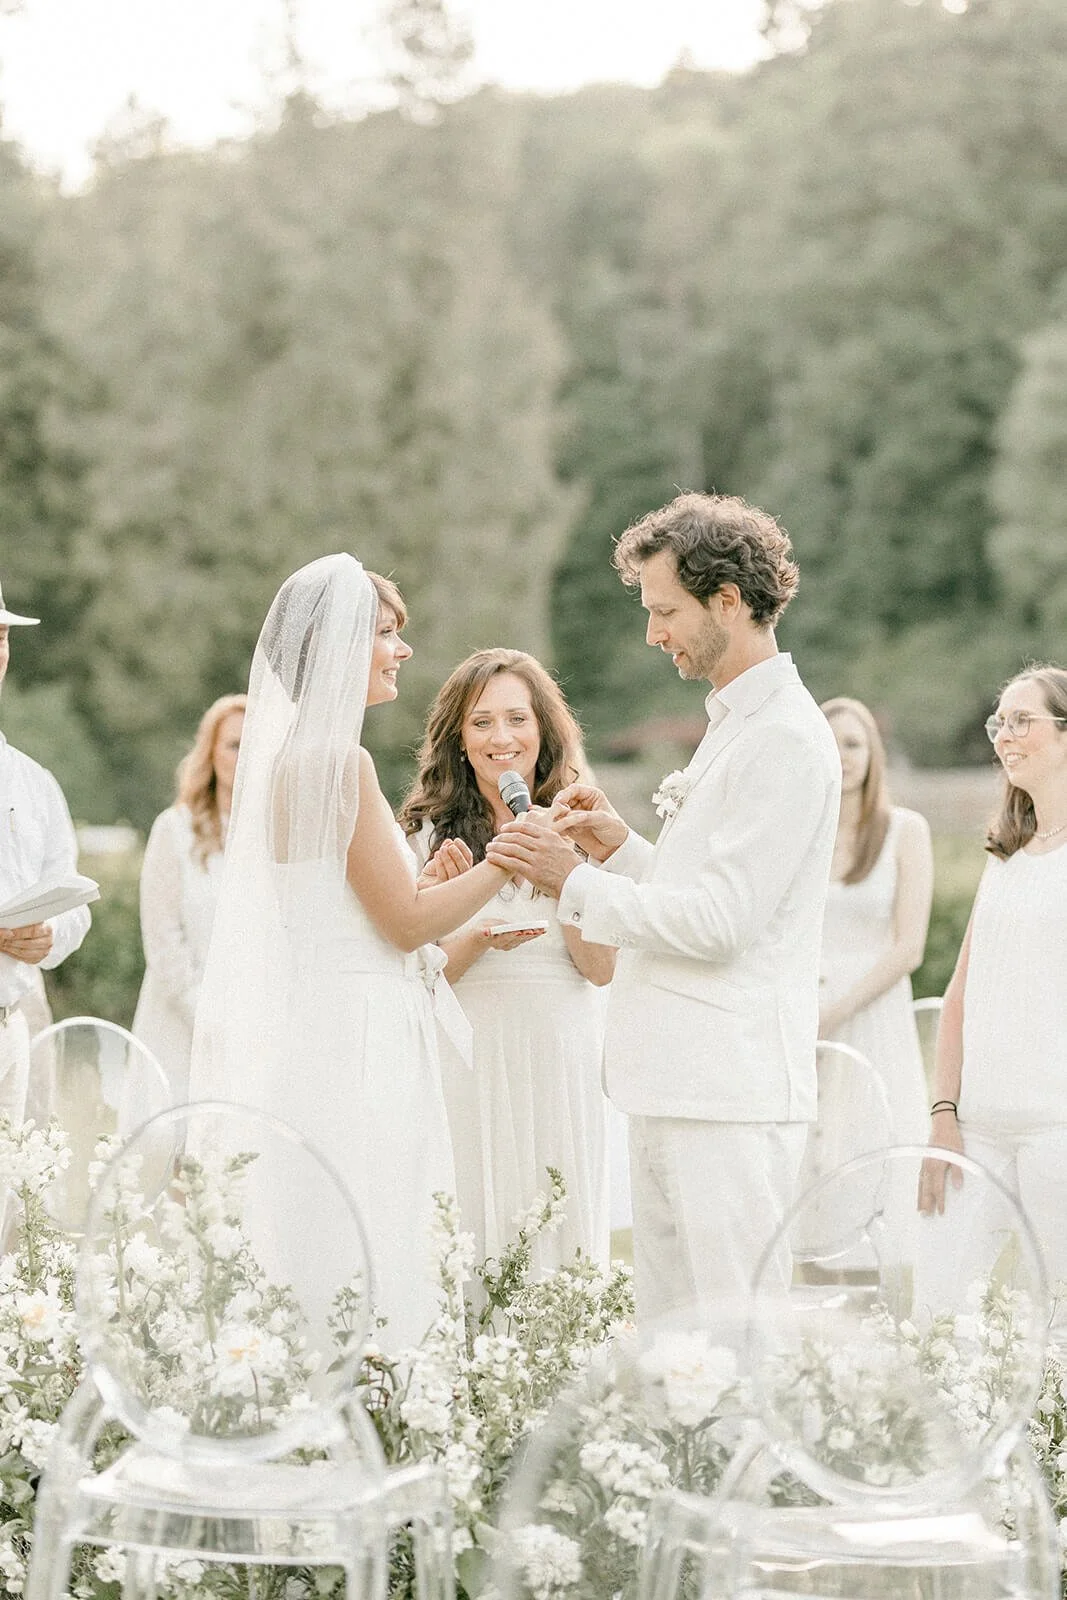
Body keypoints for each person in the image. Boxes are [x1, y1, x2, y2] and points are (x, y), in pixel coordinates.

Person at [487, 492, 841, 1316]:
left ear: (727, 601)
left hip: (728, 1093)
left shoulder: (784, 738)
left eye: (664, 611)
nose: (653, 635)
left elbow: (721, 926)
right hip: (673, 1083)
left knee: (734, 1338)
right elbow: (700, 894)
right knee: (673, 1345)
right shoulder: (733, 725)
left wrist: (568, 881)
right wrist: (621, 850)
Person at [189, 555, 512, 1351]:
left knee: (326, 1221)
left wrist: (436, 883)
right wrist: (510, 854)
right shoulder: (342, 762)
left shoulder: (289, 763)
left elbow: (360, 912)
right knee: (373, 1214)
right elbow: (403, 927)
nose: (401, 650)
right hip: (362, 1032)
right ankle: (378, 1406)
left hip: (322, 1022)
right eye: (386, 633)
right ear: (337, 645)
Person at [400, 648, 615, 1276]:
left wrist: (562, 878)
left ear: (544, 731)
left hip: (559, 1050)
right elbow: (411, 972)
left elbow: (601, 969)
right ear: (459, 740)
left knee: (558, 1216)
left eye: (518, 719)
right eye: (482, 722)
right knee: (471, 1219)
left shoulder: (582, 823)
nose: (502, 738)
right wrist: (471, 938)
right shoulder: (424, 833)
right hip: (468, 1051)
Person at [919, 665, 1067, 1298]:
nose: (1005, 735)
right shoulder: (1005, 858)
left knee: (1058, 1318)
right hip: (973, 1127)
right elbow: (958, 998)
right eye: (998, 722)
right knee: (937, 1306)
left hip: (1056, 1127)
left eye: (1022, 720)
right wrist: (942, 1116)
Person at [818, 697, 933, 1147]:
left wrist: (834, 1014)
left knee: (873, 1141)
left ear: (873, 755)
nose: (843, 756)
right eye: (831, 743)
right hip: (805, 1009)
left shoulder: (906, 831)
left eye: (853, 744)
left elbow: (909, 949)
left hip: (871, 1009)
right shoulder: (804, 833)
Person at [0, 583, 91, 1126]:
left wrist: (49, 933)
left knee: (11, 1201)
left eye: (2, 635)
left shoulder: (34, 781)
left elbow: (74, 896)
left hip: (13, 1027)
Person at [131, 693, 246, 1100]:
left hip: (251, 1033)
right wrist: (208, 1017)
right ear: (210, 753)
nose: (245, 754)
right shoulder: (174, 830)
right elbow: (162, 938)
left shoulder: (274, 838)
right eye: (234, 744)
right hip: (179, 1028)